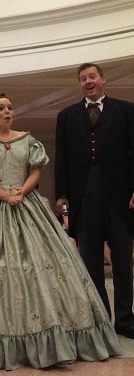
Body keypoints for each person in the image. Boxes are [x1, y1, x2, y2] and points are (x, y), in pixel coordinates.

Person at [0, 93, 121, 370]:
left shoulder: (27, 140)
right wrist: (5, 196)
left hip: (27, 203)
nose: (7, 111)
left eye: (9, 107)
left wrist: (22, 190)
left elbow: (35, 172)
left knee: (44, 265)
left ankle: (57, 336)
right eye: (0, 108)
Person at [55, 62, 134, 339]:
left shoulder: (126, 111)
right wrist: (62, 194)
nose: (88, 81)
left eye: (92, 76)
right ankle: (101, 321)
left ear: (103, 79)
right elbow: (61, 158)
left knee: (123, 260)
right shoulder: (66, 116)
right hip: (83, 195)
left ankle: (125, 320)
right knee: (90, 262)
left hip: (119, 196)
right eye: (83, 78)